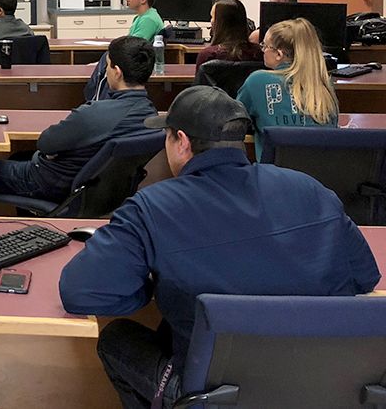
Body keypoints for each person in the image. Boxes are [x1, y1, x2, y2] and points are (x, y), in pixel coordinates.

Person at [59, 86, 378, 409]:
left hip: (213, 395)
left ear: (181, 141)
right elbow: (365, 277)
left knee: (117, 340)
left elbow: (81, 293)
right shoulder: (310, 188)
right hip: (325, 387)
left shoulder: (152, 208)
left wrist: (152, 288)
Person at [0, 36, 157, 203]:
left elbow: (45, 143)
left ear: (117, 72)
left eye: (107, 66)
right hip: (94, 190)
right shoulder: (151, 116)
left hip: (49, 182)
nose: (105, 71)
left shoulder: (93, 114)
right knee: (19, 157)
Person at [236, 18, 338, 159]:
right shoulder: (324, 85)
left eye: (265, 46)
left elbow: (234, 121)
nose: (263, 50)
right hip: (319, 177)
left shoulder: (257, 81)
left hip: (275, 177)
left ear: (279, 54)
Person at [195, 0, 260, 68]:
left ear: (219, 23)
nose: (211, 21)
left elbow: (200, 78)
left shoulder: (207, 55)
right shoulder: (258, 54)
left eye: (212, 17)